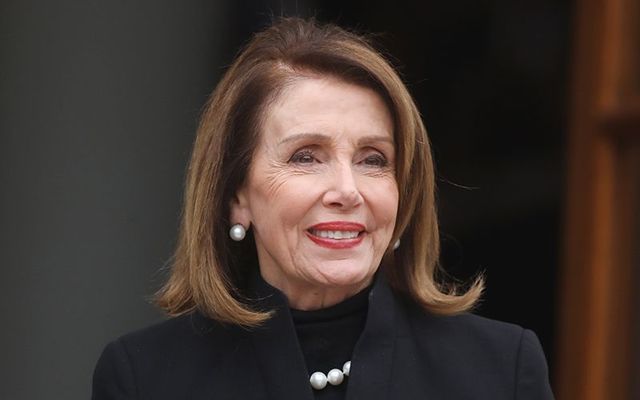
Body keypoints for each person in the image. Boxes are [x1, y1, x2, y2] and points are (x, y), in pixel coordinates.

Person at [92, 17, 554, 399]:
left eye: (373, 160)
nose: (347, 190)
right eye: (305, 157)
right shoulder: (144, 378)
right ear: (237, 196)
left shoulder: (501, 370)